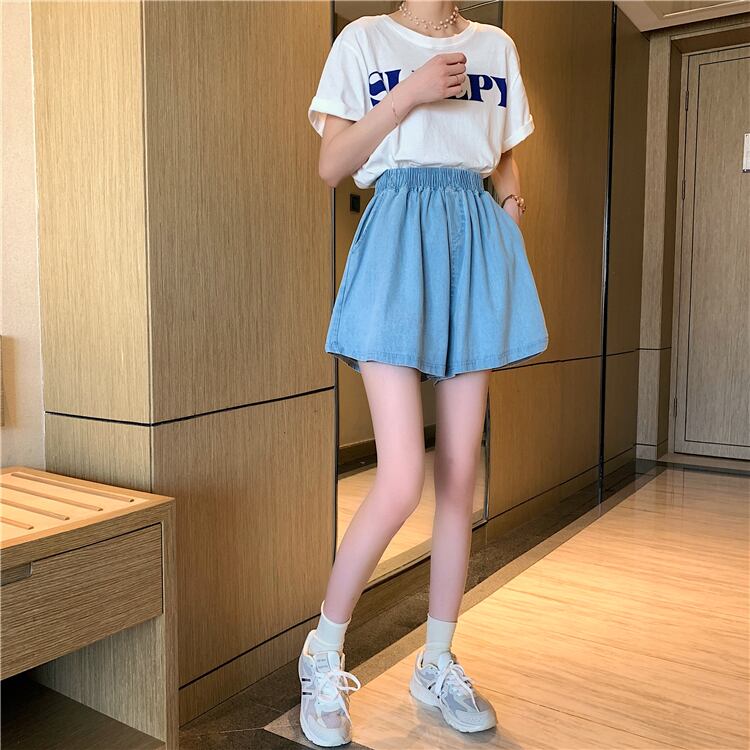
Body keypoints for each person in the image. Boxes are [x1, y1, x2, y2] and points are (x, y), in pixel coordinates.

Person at [298, 1, 549, 746]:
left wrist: (510, 201)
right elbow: (332, 165)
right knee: (403, 475)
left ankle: (436, 662)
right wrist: (408, 94)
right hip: (397, 236)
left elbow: (501, 149)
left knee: (460, 475)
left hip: (471, 238)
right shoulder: (364, 39)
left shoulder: (495, 45)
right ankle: (322, 652)